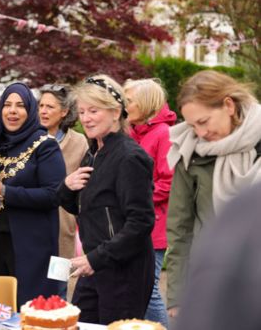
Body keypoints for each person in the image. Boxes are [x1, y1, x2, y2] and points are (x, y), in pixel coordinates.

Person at [57, 75, 155, 325]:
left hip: (124, 270)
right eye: (81, 111)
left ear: (116, 112)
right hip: (95, 265)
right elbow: (80, 208)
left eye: (93, 110)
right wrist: (67, 187)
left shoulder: (130, 157)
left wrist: (96, 258)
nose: (86, 118)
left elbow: (141, 223)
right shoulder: (94, 153)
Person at [166, 70, 261, 320]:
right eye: (192, 125)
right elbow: (180, 228)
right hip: (211, 281)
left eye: (204, 121)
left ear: (228, 105)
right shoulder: (190, 152)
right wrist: (177, 296)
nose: (200, 133)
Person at [0, 82, 66, 307]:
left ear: (30, 111)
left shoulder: (45, 146)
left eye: (20, 105)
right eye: (7, 105)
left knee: (26, 308)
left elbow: (53, 195)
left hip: (30, 244)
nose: (12, 111)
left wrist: (3, 191)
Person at [123, 78, 176, 328]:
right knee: (136, 287)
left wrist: (134, 197)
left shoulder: (163, 133)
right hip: (134, 222)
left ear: (144, 104)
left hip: (154, 226)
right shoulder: (133, 132)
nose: (124, 106)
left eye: (129, 101)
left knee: (150, 289)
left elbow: (169, 181)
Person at [175, 182, 261, 330]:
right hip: (206, 267)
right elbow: (179, 227)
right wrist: (173, 296)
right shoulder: (193, 161)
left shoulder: (248, 204)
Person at [38, 84, 89, 298]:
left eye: (50, 107)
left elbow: (85, 187)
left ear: (64, 112)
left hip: (62, 232)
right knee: (31, 290)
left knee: (57, 293)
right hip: (32, 227)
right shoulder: (28, 140)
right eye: (40, 106)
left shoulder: (79, 143)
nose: (43, 111)